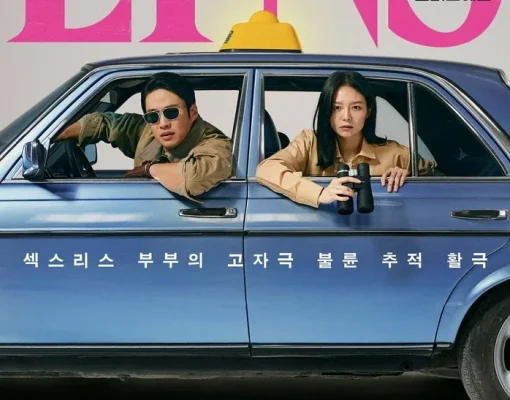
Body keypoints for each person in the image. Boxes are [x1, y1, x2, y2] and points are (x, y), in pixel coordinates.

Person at [255, 71, 436, 209]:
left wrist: (408, 176)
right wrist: (320, 193)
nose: (346, 117)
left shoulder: (396, 154)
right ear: (327, 110)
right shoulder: (310, 142)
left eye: (356, 107)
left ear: (368, 111)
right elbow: (267, 169)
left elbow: (442, 182)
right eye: (337, 108)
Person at [55, 72, 233, 201]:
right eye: (153, 116)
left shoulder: (216, 145)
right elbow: (105, 123)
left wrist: (148, 169)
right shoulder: (147, 131)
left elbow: (193, 178)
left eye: (171, 113)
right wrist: (55, 133)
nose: (163, 123)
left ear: (192, 112)